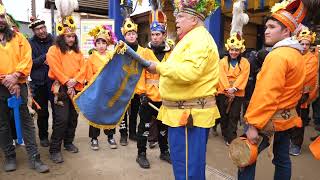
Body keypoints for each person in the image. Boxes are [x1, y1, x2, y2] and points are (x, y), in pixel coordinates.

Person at [146, 1, 220, 179]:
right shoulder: (190, 39)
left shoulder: (199, 39)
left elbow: (189, 72)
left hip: (189, 116)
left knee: (188, 169)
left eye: (180, 16)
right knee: (184, 166)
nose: (175, 20)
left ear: (194, 19)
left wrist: (158, 68)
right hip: (182, 113)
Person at [238, 0, 307, 179]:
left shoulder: (277, 56)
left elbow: (266, 95)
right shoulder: (297, 54)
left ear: (286, 31)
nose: (266, 31)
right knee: (282, 160)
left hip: (266, 121)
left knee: (245, 159)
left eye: (272, 26)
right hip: (286, 119)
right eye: (266, 26)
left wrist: (253, 126)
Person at [0, 3, 49, 173]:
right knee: (3, 124)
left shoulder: (18, 37)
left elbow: (26, 58)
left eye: (1, 16)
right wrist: (5, 80)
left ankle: (34, 158)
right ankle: (10, 156)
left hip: (18, 85)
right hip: (0, 88)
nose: (0, 20)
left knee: (27, 122)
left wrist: (15, 76)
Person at [46, 15, 86, 163]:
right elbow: (55, 68)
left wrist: (75, 81)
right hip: (61, 88)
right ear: (62, 37)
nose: (71, 40)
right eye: (68, 36)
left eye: (73, 36)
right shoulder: (53, 50)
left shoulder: (78, 53)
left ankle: (68, 142)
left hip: (76, 87)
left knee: (73, 118)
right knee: (61, 119)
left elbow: (84, 68)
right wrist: (67, 81)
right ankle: (55, 149)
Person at [135, 14, 171, 169]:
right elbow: (139, 74)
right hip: (147, 98)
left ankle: (164, 152)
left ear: (164, 35)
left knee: (164, 128)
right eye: (153, 35)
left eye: (158, 34)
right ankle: (141, 154)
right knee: (144, 128)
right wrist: (142, 93)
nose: (155, 37)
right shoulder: (144, 52)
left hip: (164, 99)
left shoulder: (171, 53)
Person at [86, 24, 118, 150]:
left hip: (109, 90)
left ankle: (110, 136)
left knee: (109, 112)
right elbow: (89, 76)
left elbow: (115, 72)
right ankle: (94, 138)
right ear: (95, 44)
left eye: (103, 42)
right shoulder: (91, 58)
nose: (101, 45)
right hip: (97, 90)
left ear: (107, 44)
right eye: (98, 43)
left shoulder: (112, 56)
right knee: (95, 114)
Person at [216, 33, 250, 145]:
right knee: (223, 114)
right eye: (232, 50)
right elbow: (221, 76)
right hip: (223, 92)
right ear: (228, 49)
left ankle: (231, 137)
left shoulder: (245, 63)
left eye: (236, 50)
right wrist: (227, 89)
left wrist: (234, 88)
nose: (234, 52)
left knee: (234, 115)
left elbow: (243, 76)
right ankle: (225, 133)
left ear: (240, 50)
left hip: (238, 93)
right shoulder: (222, 62)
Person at [290, 28, 319, 156]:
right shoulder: (293, 55)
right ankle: (289, 141)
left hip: (302, 96)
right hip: (290, 94)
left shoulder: (312, 59)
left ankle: (296, 144)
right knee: (288, 119)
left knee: (299, 120)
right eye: (302, 43)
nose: (304, 46)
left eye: (307, 44)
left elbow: (306, 76)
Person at [28, 16, 55, 147]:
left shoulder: (54, 40)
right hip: (39, 83)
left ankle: (57, 136)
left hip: (54, 81)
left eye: (43, 27)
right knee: (42, 112)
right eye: (38, 29)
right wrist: (45, 57)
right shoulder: (30, 43)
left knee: (57, 111)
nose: (42, 31)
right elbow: (29, 63)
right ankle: (43, 136)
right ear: (33, 31)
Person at [118, 18, 145, 145]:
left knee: (134, 112)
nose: (131, 36)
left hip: (137, 87)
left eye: (133, 33)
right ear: (124, 35)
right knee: (122, 112)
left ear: (137, 35)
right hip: (123, 86)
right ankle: (123, 134)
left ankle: (132, 133)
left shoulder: (143, 51)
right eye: (129, 34)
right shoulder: (119, 49)